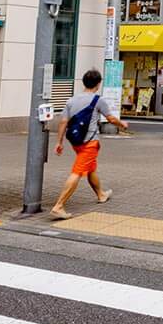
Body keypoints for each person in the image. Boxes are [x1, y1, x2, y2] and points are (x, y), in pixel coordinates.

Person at [50, 68, 128, 220]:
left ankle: (101, 194)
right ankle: (59, 206)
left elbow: (63, 122)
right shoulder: (98, 100)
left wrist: (59, 142)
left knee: (90, 168)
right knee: (77, 172)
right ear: (98, 84)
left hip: (75, 141)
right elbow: (111, 119)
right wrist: (122, 124)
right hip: (90, 142)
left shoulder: (71, 100)